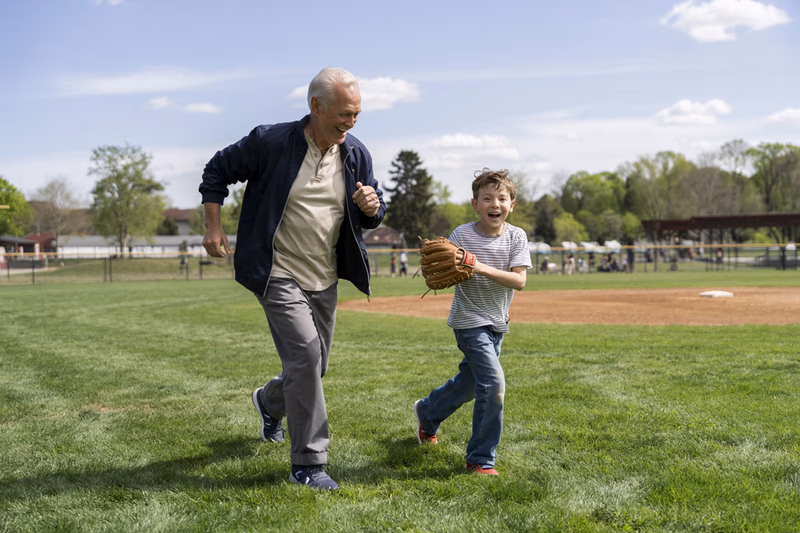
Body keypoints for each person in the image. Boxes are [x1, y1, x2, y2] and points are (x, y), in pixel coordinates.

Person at [199, 67, 386, 491]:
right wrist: (213, 226)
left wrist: (373, 206)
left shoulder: (355, 153)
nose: (351, 122)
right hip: (277, 270)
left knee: (313, 367)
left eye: (357, 114)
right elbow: (216, 171)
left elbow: (373, 212)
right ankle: (308, 465)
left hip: (325, 275)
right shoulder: (269, 142)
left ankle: (268, 402)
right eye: (344, 113)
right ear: (315, 106)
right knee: (304, 358)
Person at [413, 168, 532, 476]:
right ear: (475, 204)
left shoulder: (517, 237)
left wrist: (477, 266)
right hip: (468, 323)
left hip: (497, 324)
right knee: (494, 385)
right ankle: (480, 459)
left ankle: (427, 413)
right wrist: (451, 267)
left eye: (502, 198)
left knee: (469, 386)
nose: (495, 204)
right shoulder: (462, 235)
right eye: (487, 198)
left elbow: (519, 281)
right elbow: (445, 271)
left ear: (512, 204)